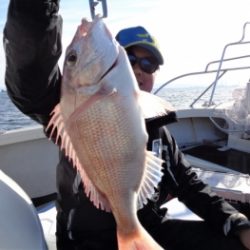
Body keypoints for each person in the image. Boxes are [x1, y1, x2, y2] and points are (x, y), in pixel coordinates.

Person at [3, 1, 250, 250]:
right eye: (130, 58)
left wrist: (237, 222)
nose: (139, 69)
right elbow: (30, 74)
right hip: (87, 241)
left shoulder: (159, 131)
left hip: (148, 227)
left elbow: (189, 185)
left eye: (148, 64)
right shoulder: (70, 105)